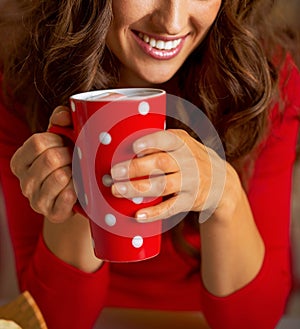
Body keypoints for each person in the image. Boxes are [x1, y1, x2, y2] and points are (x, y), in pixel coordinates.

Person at [0, 0, 299, 328]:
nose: (171, 22)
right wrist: (80, 178)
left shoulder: (266, 83)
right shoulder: (21, 79)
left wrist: (224, 195)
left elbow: (257, 322)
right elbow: (51, 320)